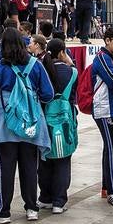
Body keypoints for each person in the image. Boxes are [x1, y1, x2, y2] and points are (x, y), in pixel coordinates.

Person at [0, 27, 54, 224]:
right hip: (30, 123)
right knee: (29, 167)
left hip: (5, 123)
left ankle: (4, 211)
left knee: (6, 169)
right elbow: (48, 93)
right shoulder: (35, 65)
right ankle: (31, 207)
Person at [37, 37, 77, 214]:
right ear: (62, 52)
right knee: (63, 160)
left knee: (44, 160)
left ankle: (45, 197)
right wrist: (70, 61)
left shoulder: (41, 69)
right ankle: (59, 201)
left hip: (45, 120)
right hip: (65, 121)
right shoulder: (72, 72)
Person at [92, 26, 113, 205]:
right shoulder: (102, 58)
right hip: (106, 110)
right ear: (107, 41)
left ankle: (109, 187)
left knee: (112, 148)